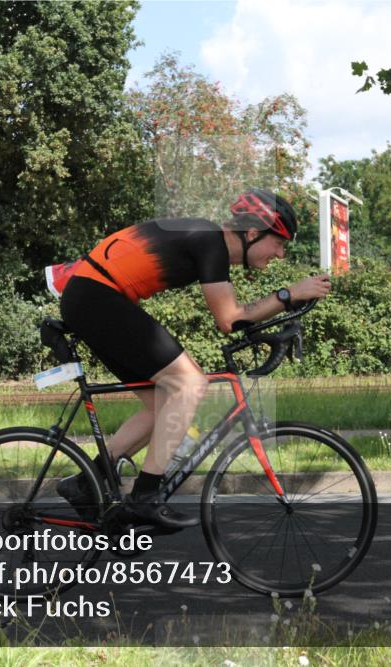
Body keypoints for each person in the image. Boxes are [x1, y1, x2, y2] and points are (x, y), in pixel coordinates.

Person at [56, 188, 331, 529]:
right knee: (189, 383)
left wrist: (280, 312)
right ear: (252, 233)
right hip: (96, 297)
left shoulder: (208, 240)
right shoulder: (210, 241)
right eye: (278, 243)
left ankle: (86, 482)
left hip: (92, 296)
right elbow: (230, 319)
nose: (280, 253)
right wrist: (289, 294)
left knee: (162, 404)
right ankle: (145, 497)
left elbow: (236, 318)